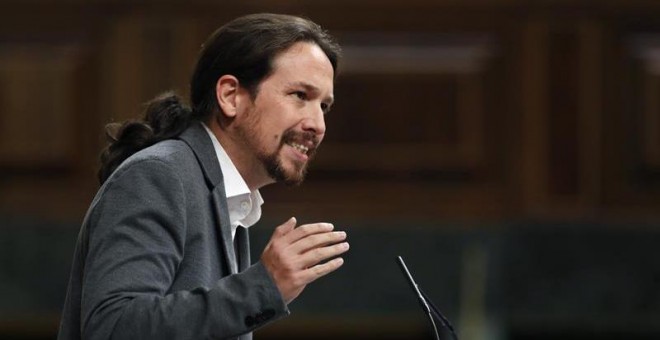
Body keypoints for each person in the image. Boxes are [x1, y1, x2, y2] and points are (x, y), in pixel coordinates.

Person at [58, 13, 349, 340]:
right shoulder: (159, 176)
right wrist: (262, 286)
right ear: (230, 96)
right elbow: (114, 328)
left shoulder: (223, 196)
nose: (318, 125)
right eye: (300, 96)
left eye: (324, 106)